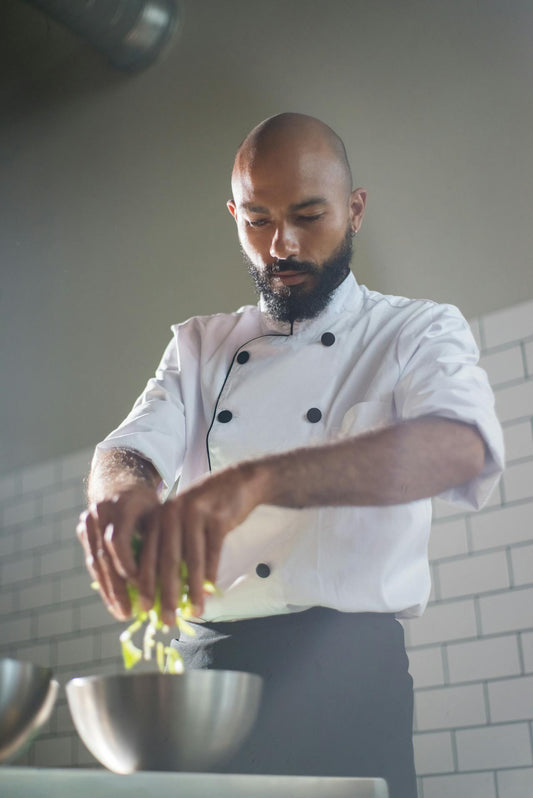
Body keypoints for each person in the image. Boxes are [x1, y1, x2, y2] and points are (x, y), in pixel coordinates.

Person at [77, 112, 504, 797]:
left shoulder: (413, 329)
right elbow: (127, 448)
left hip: (348, 676)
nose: (282, 244)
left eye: (308, 215)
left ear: (354, 209)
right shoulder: (199, 345)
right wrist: (120, 498)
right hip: (209, 683)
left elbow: (457, 447)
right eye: (256, 220)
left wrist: (258, 480)